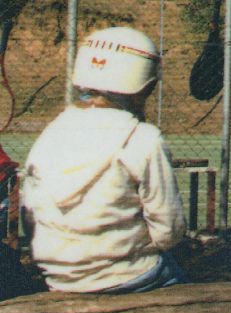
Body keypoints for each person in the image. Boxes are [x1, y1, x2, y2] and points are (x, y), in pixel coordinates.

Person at [21, 26, 187, 293]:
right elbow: (169, 232)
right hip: (129, 276)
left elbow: (29, 218)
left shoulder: (52, 132)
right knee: (178, 275)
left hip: (58, 278)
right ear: (144, 86)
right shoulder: (143, 138)